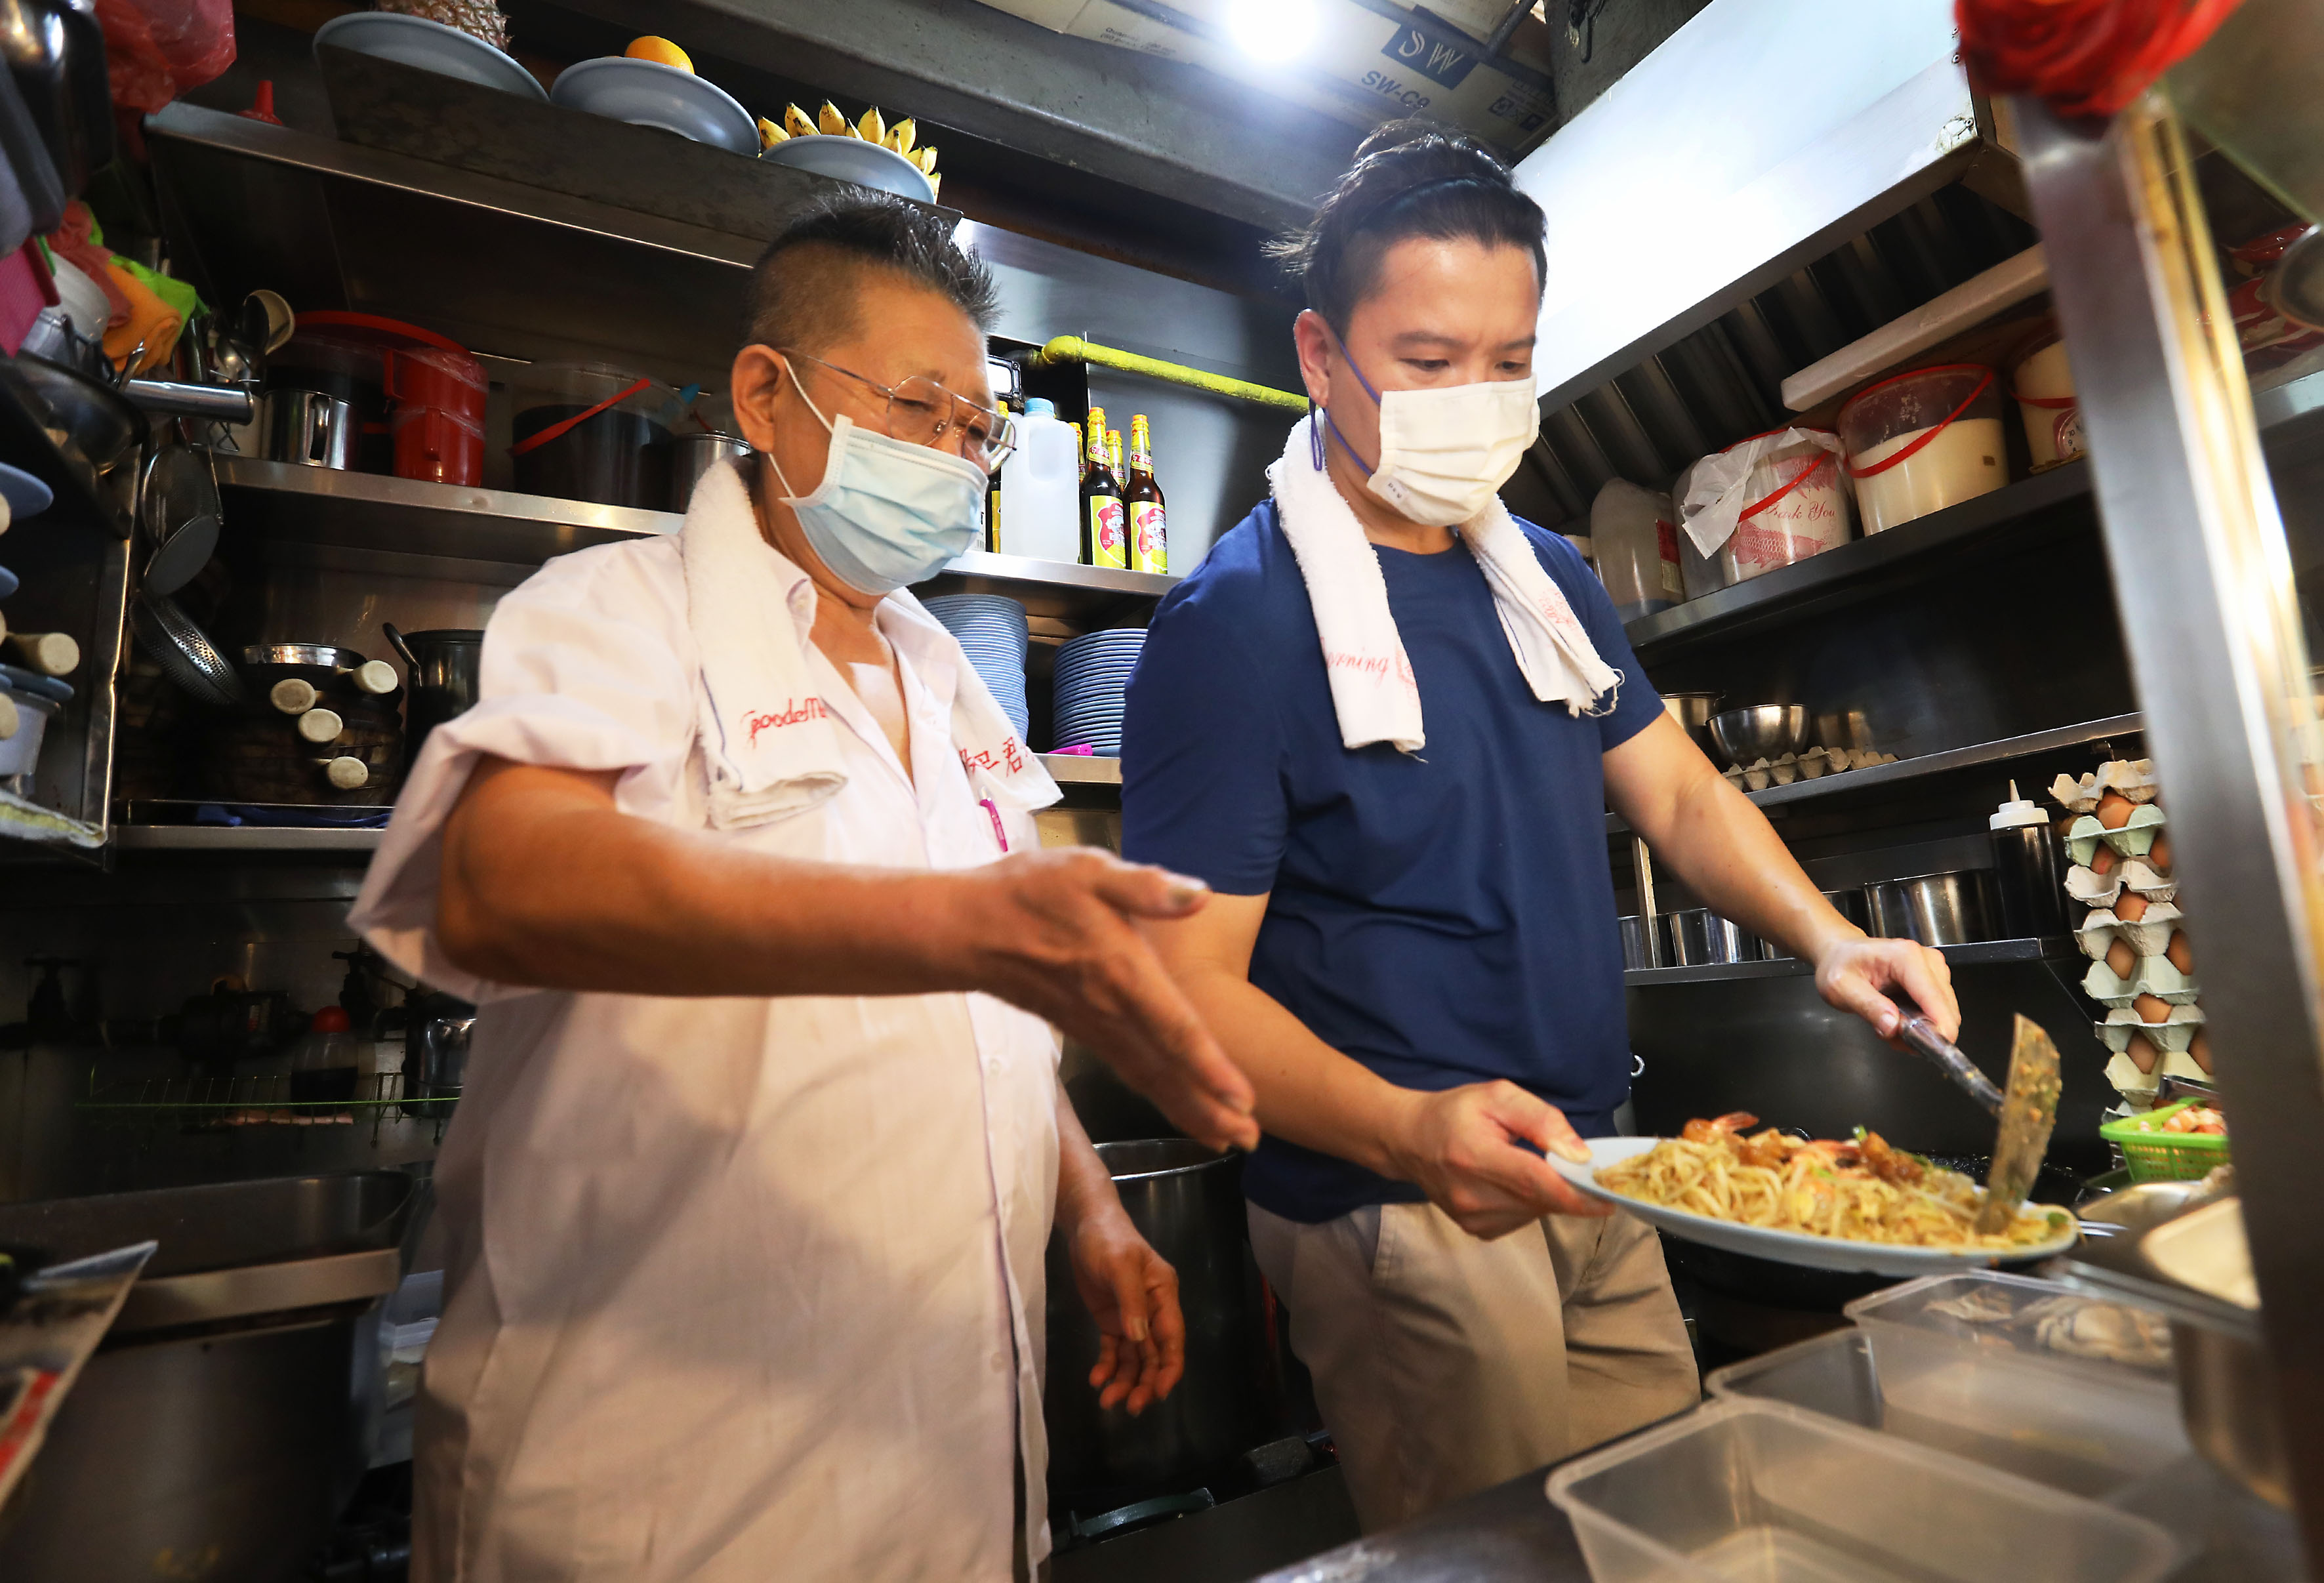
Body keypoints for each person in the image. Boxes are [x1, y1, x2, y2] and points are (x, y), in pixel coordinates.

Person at [349, 193, 1259, 1583]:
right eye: (914, 406)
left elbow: (994, 1014)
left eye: (975, 429)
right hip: (668, 1486)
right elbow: (494, 881)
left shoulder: (946, 676)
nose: (954, 456)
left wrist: (1085, 1202)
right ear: (765, 398)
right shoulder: (613, 613)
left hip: (950, 1467)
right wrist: (953, 925)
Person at [1120, 122, 1963, 1531]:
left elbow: (1679, 790)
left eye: (1508, 363)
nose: (1477, 401)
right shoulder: (1237, 625)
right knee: (1502, 1563)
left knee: (1657, 1533)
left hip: (1593, 1163)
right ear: (1320, 356)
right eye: (1428, 362)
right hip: (1392, 1204)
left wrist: (1830, 938)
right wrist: (1407, 1129)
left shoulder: (1546, 577)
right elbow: (1179, 988)